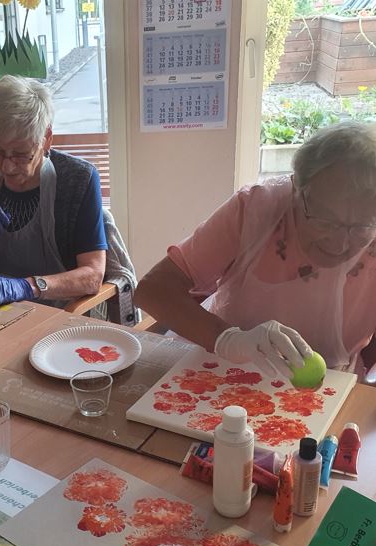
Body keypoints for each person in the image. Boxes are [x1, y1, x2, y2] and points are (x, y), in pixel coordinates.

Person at [135, 121, 376, 376]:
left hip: (333, 383)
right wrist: (228, 339)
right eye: (325, 221)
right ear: (297, 189)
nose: (340, 244)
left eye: (361, 226)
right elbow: (153, 290)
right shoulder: (256, 210)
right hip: (225, 369)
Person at [0, 75, 107, 310]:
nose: (7, 166)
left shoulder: (78, 180)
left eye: (21, 153)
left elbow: (92, 275)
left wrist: (28, 287)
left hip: (58, 311)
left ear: (46, 139)